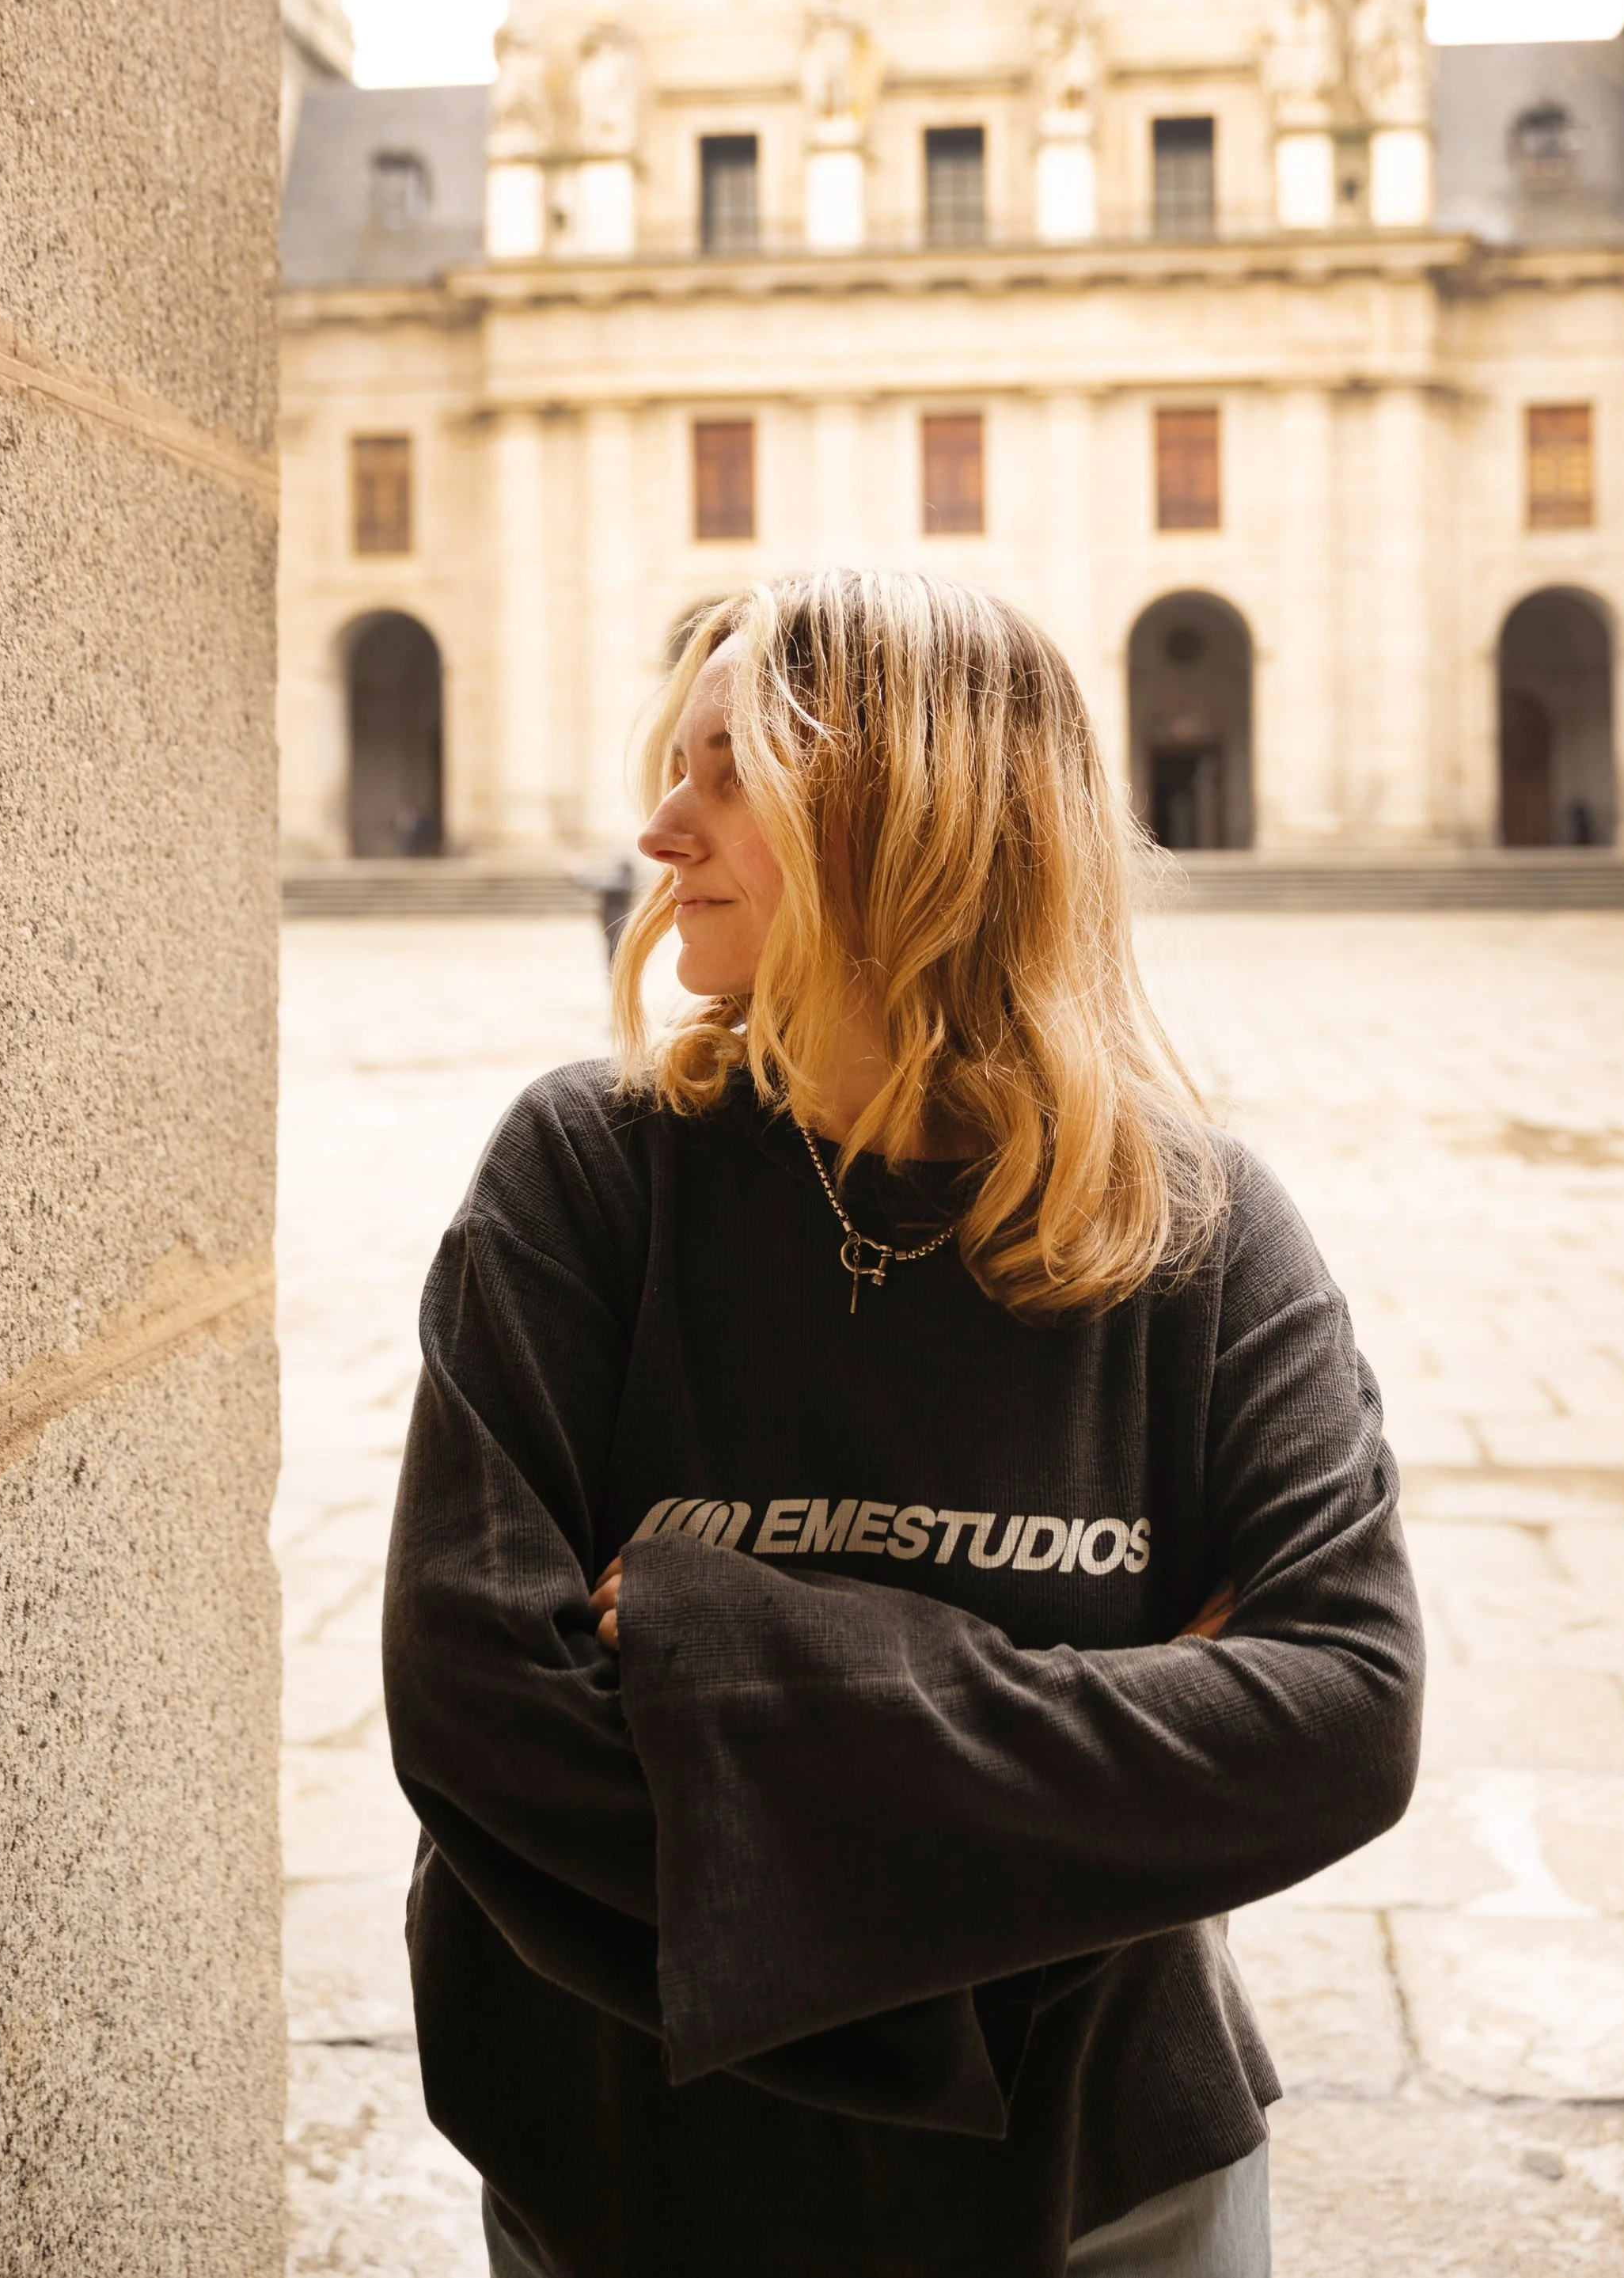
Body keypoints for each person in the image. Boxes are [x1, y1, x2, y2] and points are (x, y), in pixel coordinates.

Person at [383, 569, 1422, 2278]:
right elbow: (478, 1714)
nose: (658, 830)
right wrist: (1085, 1746)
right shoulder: (586, 1173)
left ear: (910, 807)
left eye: (728, 772)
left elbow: (1339, 1718)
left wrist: (721, 1648)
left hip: (1097, 2176)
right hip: (630, 2165)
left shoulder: (1199, 1232)